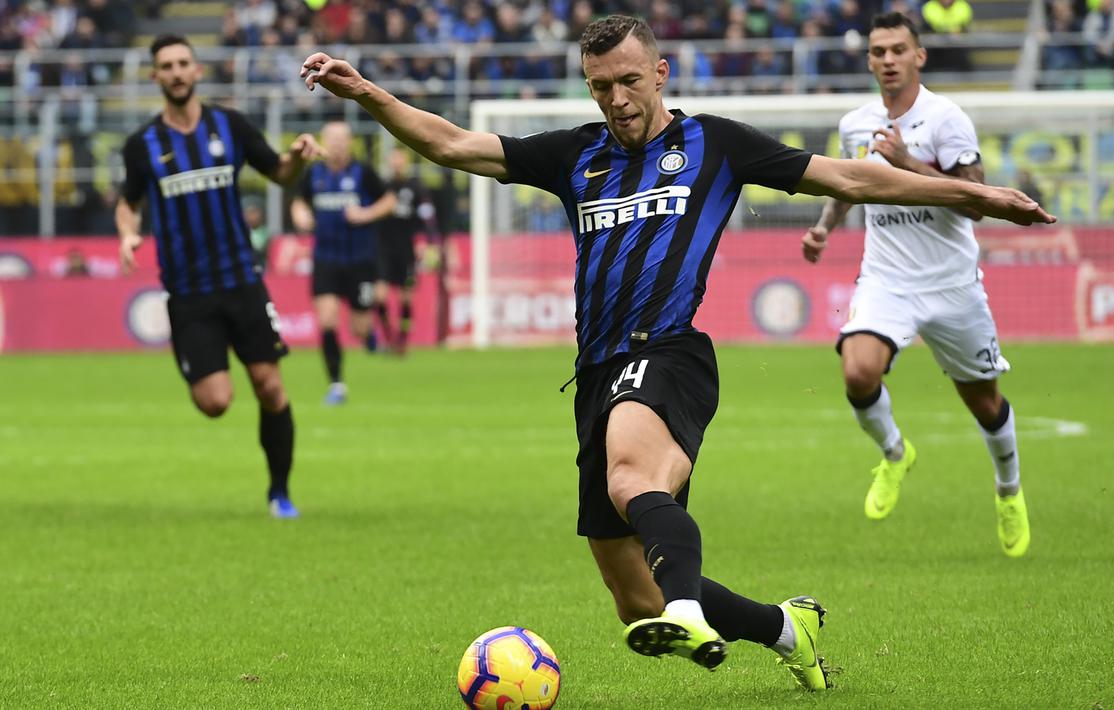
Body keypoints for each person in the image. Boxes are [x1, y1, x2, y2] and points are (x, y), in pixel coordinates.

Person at [300, 14, 1053, 688]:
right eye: (600, 86)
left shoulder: (715, 144)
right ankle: (786, 628)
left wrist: (981, 198)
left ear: (660, 73)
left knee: (633, 478)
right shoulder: (575, 155)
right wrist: (365, 92)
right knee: (635, 597)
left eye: (629, 80)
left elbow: (851, 177)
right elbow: (451, 143)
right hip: (595, 371)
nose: (617, 99)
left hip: (670, 353)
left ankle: (686, 608)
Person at [801, 12, 1032, 558]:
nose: (888, 60)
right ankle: (895, 452)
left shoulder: (946, 119)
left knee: (984, 403)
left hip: (953, 285)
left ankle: (1008, 490)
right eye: (878, 51)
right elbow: (850, 184)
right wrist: (824, 227)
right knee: (858, 371)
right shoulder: (856, 124)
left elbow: (976, 200)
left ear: (919, 56)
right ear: (869, 60)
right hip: (887, 280)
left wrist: (908, 163)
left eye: (898, 50)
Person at [116, 34, 322, 518]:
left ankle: (280, 493)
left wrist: (297, 156)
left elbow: (280, 173)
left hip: (241, 280)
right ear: (155, 76)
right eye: (167, 66)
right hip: (188, 292)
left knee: (270, 387)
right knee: (214, 402)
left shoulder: (230, 125)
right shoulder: (142, 145)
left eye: (183, 63)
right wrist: (127, 234)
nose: (176, 72)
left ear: (197, 70)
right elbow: (128, 202)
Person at [290, 121, 395, 405]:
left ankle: (369, 334)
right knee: (327, 320)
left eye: (341, 139)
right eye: (332, 139)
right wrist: (300, 215)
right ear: (324, 142)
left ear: (350, 142)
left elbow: (389, 201)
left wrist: (365, 214)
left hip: (360, 260)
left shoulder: (363, 172)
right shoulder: (314, 173)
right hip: (326, 260)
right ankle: (336, 384)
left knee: (359, 328)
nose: (336, 144)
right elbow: (299, 201)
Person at [374, 148, 438, 355]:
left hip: (407, 249)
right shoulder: (383, 187)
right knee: (380, 296)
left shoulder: (416, 187)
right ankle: (388, 336)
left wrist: (428, 242)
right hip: (383, 248)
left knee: (406, 298)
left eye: (400, 159)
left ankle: (401, 340)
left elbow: (427, 217)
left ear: (406, 162)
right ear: (389, 162)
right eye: (394, 159)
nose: (397, 163)